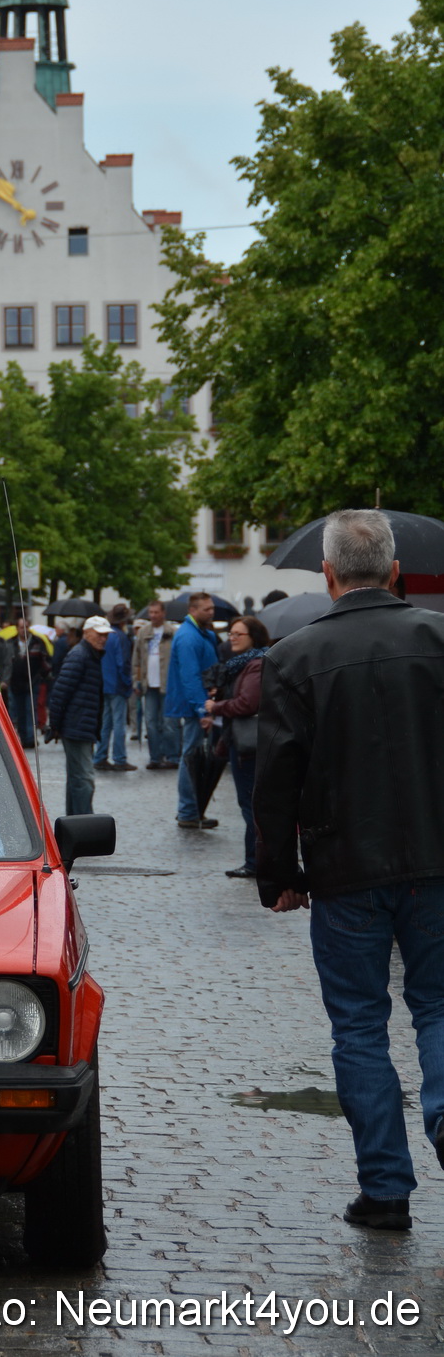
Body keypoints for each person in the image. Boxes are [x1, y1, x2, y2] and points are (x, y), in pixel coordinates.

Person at [255, 508, 444, 1233]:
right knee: (437, 1005)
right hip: (435, 861)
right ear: (396, 572)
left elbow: (276, 781)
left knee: (360, 1027)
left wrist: (278, 873)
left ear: (328, 575)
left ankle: (387, 1187)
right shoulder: (437, 640)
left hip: (345, 870)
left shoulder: (293, 658)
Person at [204, 614, 269, 879]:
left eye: (237, 634)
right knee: (250, 803)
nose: (232, 638)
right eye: (230, 633)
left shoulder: (255, 664)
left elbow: (247, 704)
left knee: (250, 804)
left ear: (252, 637)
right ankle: (256, 860)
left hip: (249, 745)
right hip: (239, 740)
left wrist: (216, 706)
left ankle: (255, 862)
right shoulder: (242, 664)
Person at [164, 591, 221, 829]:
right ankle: (188, 811)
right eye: (207, 609)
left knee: (193, 757)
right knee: (191, 758)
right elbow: (190, 677)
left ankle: (192, 810)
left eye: (212, 608)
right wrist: (202, 710)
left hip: (197, 704)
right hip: (194, 707)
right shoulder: (189, 637)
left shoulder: (201, 633)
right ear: (193, 610)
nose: (212, 612)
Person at [44, 615, 110, 816]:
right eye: (99, 634)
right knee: (84, 779)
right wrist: (54, 725)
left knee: (77, 778)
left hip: (80, 724)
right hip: (76, 725)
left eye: (105, 635)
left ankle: (76, 822)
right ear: (87, 633)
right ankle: (83, 823)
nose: (103, 638)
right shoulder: (81, 655)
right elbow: (61, 692)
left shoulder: (88, 654)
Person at [131, 601, 179, 770]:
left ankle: (172, 756)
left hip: (168, 684)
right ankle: (155, 757)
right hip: (148, 684)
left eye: (156, 612)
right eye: (150, 612)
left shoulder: (172, 632)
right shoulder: (144, 632)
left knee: (168, 722)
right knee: (150, 722)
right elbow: (136, 659)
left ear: (163, 613)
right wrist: (136, 680)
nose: (153, 615)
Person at [93, 604, 135, 772]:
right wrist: (127, 683)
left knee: (106, 723)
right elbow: (123, 664)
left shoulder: (106, 635)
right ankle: (119, 758)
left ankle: (100, 756)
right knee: (119, 723)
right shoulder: (121, 637)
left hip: (104, 684)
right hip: (117, 684)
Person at [6, 617, 50, 750]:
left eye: (25, 627)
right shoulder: (11, 643)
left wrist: (42, 675)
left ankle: (30, 738)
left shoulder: (37, 642)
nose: (23, 630)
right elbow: (6, 662)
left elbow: (46, 661)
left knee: (30, 709)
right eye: (21, 627)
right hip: (15, 682)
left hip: (33, 681)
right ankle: (23, 737)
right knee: (18, 711)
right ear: (17, 628)